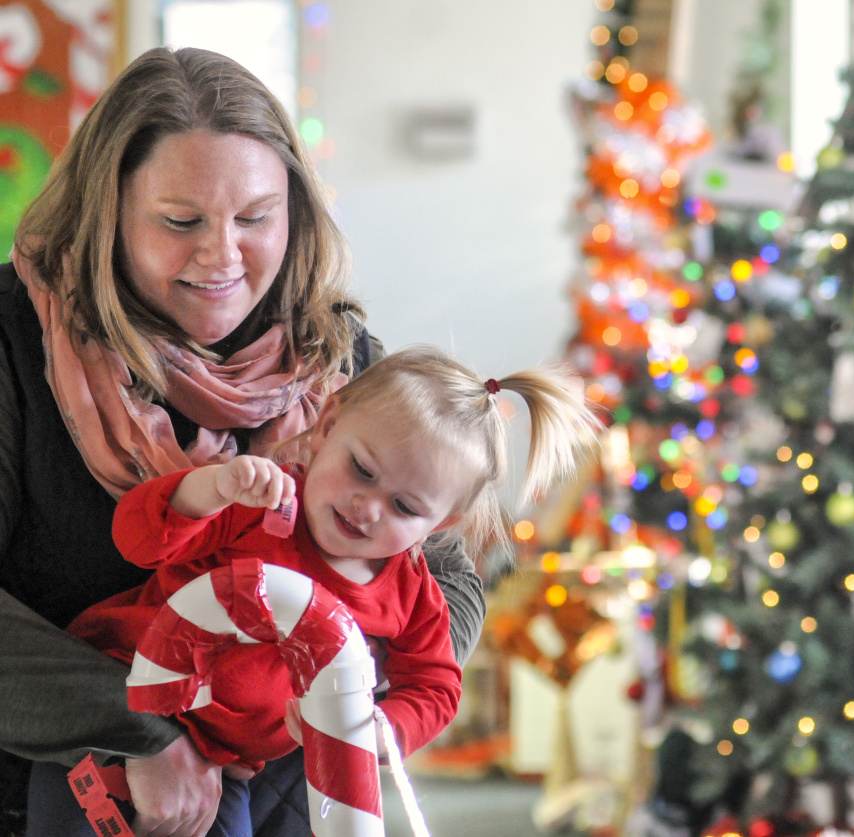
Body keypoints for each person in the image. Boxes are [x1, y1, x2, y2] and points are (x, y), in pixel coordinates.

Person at [0, 46, 485, 837]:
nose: (222, 255)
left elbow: (444, 578)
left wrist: (337, 699)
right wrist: (142, 725)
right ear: (107, 212)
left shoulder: (337, 360)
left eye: (256, 218)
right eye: (180, 221)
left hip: (286, 783)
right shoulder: (16, 341)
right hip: (59, 790)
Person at [29, 345, 601, 836]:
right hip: (118, 713)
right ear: (327, 425)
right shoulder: (265, 505)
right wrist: (207, 491)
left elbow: (436, 686)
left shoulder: (410, 596)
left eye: (404, 507)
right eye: (361, 470)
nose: (367, 506)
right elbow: (138, 540)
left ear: (441, 526)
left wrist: (389, 726)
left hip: (228, 764)